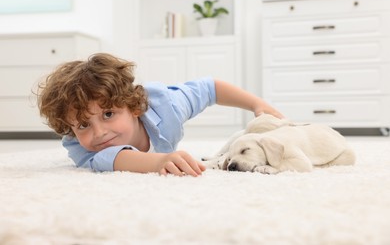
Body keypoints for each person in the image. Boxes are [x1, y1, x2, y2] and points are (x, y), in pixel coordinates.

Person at [37, 53, 283, 177]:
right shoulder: (83, 149)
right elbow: (118, 159)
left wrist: (258, 105)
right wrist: (159, 162)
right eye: (82, 125)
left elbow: (210, 88)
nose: (98, 132)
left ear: (133, 107)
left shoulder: (166, 106)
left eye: (109, 114)